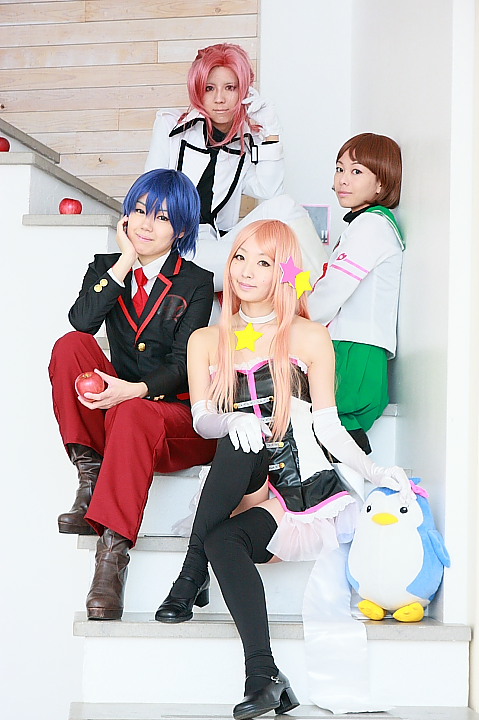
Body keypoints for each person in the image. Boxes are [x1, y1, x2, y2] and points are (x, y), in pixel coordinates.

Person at [154, 219, 413, 720]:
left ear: (284, 273)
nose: (246, 271)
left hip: (293, 492)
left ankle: (260, 672)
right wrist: (233, 418)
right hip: (239, 480)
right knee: (240, 436)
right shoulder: (207, 339)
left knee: (223, 542)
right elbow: (202, 418)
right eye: (239, 258)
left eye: (264, 262)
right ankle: (196, 581)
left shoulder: (309, 336)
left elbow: (329, 427)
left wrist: (375, 471)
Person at [49, 168, 217, 620]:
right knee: (71, 346)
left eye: (162, 218)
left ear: (181, 230)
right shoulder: (107, 266)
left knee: (134, 412)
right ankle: (89, 478)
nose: (146, 224)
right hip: (120, 413)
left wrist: (135, 391)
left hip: (174, 419)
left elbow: (184, 364)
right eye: (140, 211)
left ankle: (111, 561)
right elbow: (82, 321)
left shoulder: (196, 282)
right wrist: (124, 261)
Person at [145, 42, 327, 293]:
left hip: (218, 245)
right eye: (209, 88)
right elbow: (149, 194)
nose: (219, 99)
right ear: (197, 90)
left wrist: (271, 132)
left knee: (284, 207)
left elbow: (270, 193)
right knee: (273, 264)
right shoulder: (170, 127)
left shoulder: (246, 140)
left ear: (244, 91)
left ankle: (319, 290)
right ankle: (314, 296)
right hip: (175, 248)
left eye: (230, 88)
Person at [308, 132, 404, 497]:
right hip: (354, 347)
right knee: (333, 432)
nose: (342, 179)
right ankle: (347, 509)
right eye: (339, 169)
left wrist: (299, 317)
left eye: (356, 171)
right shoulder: (367, 224)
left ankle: (348, 508)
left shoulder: (371, 226)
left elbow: (332, 292)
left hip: (355, 349)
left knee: (331, 426)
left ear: (381, 183)